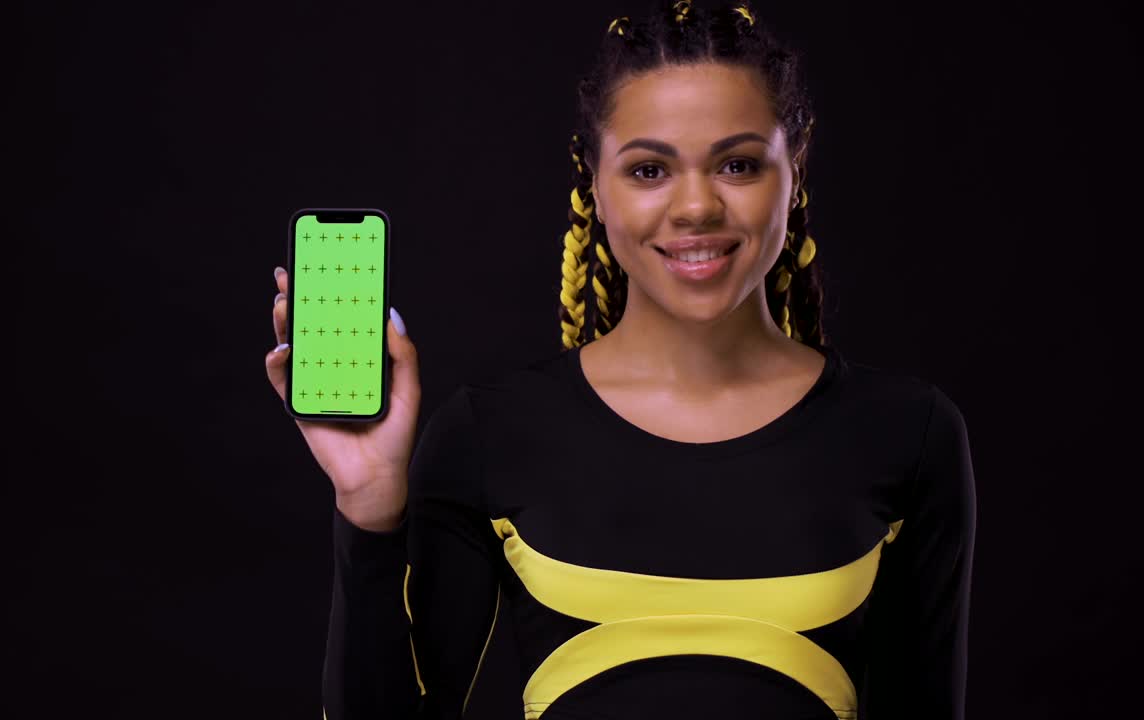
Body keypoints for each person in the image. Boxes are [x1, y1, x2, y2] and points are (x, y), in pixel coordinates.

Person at [264, 1, 977, 718]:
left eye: (737, 164)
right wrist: (369, 508)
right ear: (594, 185)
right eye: (648, 170)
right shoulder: (490, 435)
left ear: (795, 170)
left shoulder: (906, 434)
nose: (696, 207)